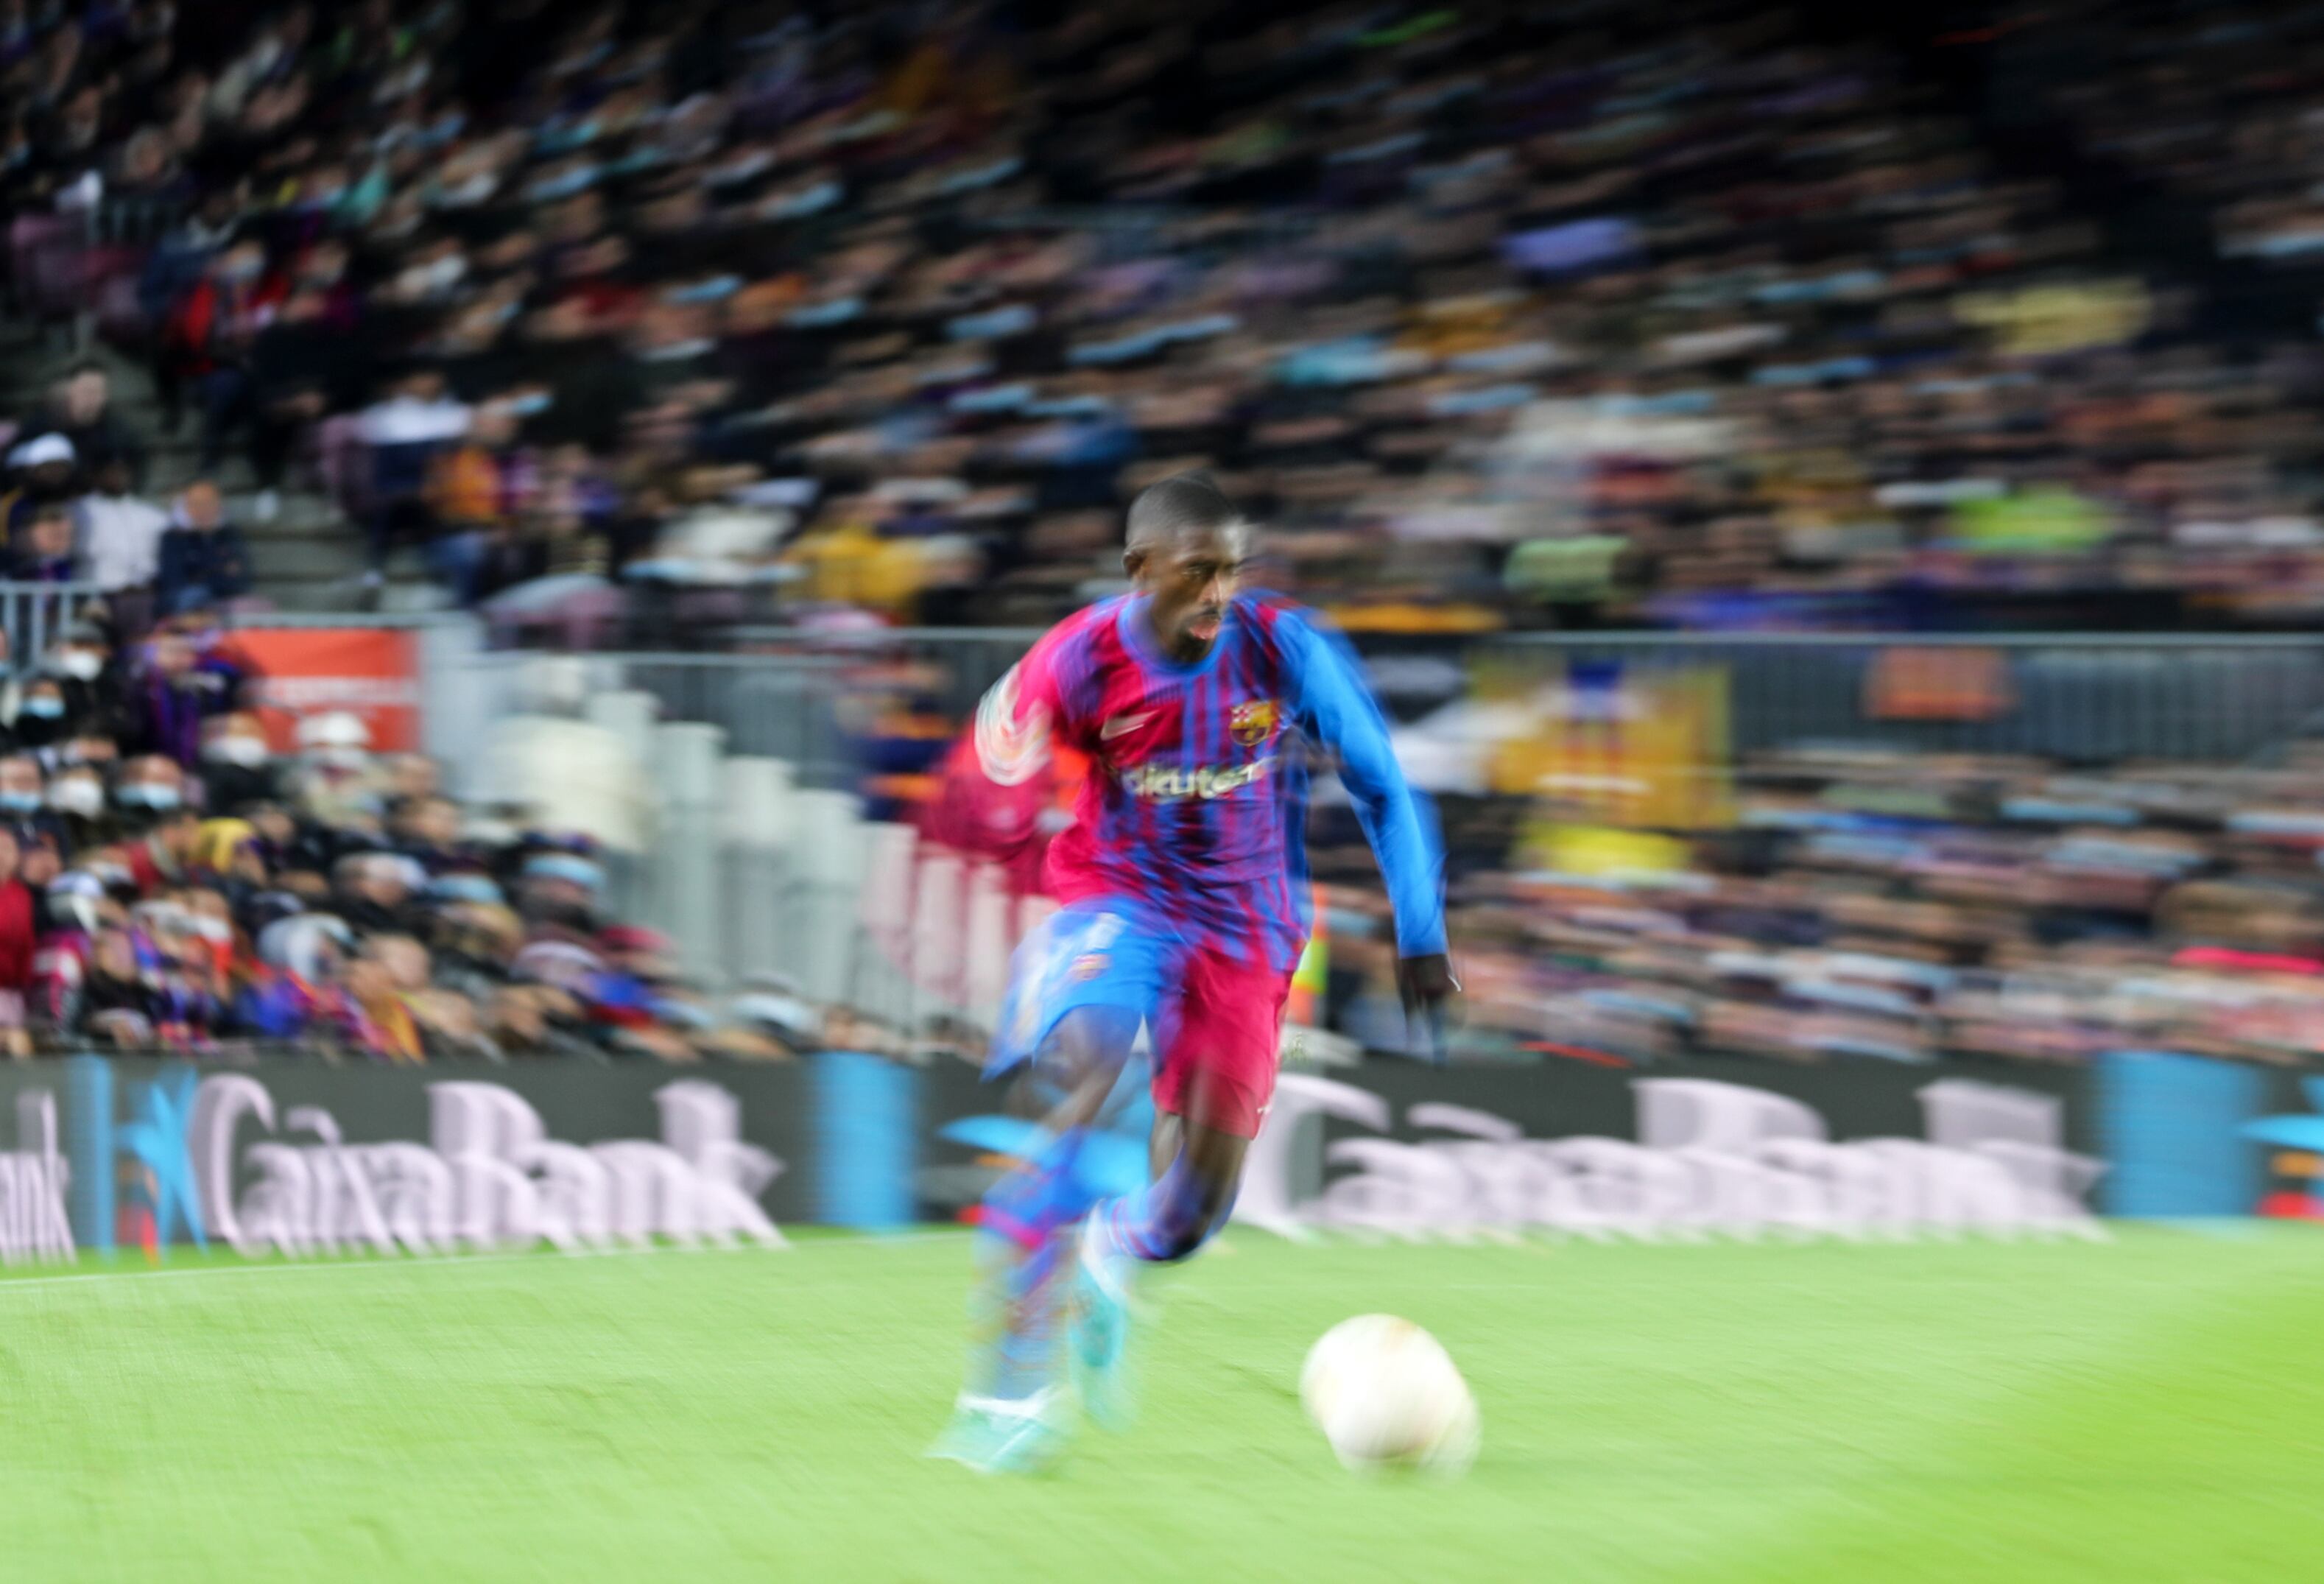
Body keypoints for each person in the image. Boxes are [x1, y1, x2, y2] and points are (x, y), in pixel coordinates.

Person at [926, 474, 1454, 1473]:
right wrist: (1009, 870)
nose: (1220, 592)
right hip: (1117, 901)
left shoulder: (1280, 647)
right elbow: (982, 784)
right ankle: (1007, 1391)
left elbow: (1382, 783)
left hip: (1248, 930)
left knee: (1195, 1206)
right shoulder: (1076, 661)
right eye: (1199, 572)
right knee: (1087, 1078)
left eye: (1231, 571)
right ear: (1141, 571)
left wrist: (1420, 935)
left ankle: (1116, 1249)